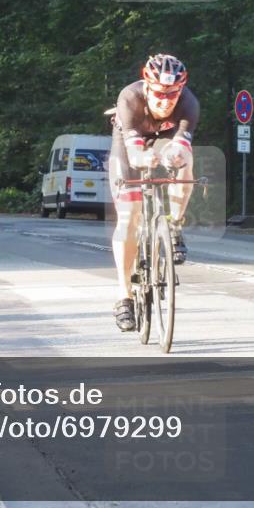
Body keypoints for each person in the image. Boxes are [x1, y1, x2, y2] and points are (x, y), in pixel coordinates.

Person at [108, 53, 199, 332]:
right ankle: (124, 297)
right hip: (129, 144)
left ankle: (174, 226)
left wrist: (175, 155)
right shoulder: (129, 98)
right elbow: (134, 151)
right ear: (147, 87)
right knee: (129, 214)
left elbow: (182, 143)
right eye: (159, 93)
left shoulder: (189, 104)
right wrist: (143, 157)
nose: (165, 100)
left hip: (166, 139)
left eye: (172, 94)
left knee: (184, 161)